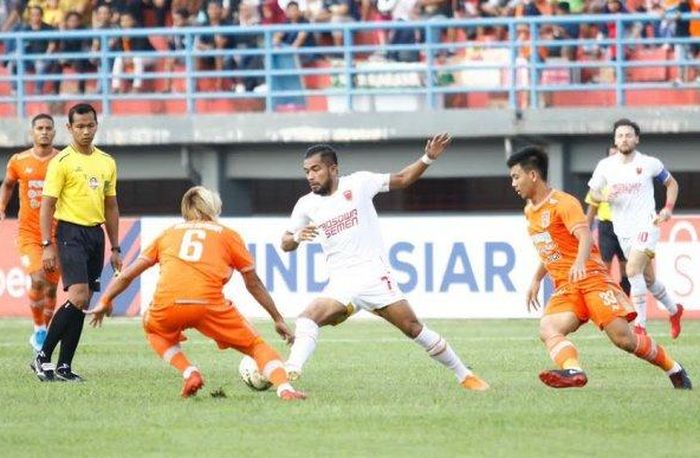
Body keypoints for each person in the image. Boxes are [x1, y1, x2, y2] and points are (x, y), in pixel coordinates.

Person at [281, 135, 489, 391]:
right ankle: (291, 371)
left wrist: (428, 158)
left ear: (333, 168)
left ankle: (465, 375)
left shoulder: (358, 183)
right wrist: (297, 237)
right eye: (306, 172)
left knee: (413, 328)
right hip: (342, 283)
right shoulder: (306, 204)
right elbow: (285, 243)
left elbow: (403, 179)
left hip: (374, 276)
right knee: (306, 318)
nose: (310, 176)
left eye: (316, 169)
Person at [86, 187, 307, 401]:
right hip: (208, 304)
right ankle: (285, 389)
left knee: (154, 330)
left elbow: (127, 275)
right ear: (213, 209)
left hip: (167, 305)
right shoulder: (228, 235)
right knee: (256, 346)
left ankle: (189, 372)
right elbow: (253, 282)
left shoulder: (168, 234)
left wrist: (105, 300)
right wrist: (277, 318)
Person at [507, 146, 691, 390]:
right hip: (567, 287)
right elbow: (551, 248)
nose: (513, 183)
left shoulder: (563, 203)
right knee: (548, 327)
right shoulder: (529, 211)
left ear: (532, 175)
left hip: (592, 279)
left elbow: (584, 235)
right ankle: (573, 370)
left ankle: (674, 369)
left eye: (515, 176)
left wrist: (580, 264)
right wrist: (536, 279)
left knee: (623, 339)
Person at [31, 103, 122, 382]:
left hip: (95, 235)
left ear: (96, 125)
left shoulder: (107, 161)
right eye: (79, 126)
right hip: (70, 233)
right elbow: (47, 206)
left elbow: (111, 206)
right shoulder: (62, 162)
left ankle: (64, 366)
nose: (85, 131)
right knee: (78, 296)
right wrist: (47, 244)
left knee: (82, 304)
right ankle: (42, 356)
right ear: (70, 129)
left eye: (90, 125)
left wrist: (115, 247)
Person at [588, 118, 684, 337]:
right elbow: (593, 193)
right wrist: (603, 195)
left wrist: (667, 209)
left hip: (647, 225)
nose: (624, 139)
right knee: (648, 279)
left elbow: (672, 183)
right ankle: (674, 310)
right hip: (622, 230)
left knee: (631, 271)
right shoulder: (605, 166)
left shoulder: (649, 163)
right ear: (615, 140)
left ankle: (640, 326)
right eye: (620, 135)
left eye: (628, 135)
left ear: (636, 139)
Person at [0, 114, 60, 352]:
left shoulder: (62, 160)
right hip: (29, 234)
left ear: (54, 132)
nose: (44, 132)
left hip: (57, 234)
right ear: (32, 133)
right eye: (39, 128)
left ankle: (44, 333)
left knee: (52, 289)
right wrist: (2, 208)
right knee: (37, 279)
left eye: (48, 128)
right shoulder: (19, 160)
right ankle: (38, 329)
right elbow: (7, 184)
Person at [584, 146, 630, 296]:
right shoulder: (601, 181)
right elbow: (591, 209)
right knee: (605, 266)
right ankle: (607, 303)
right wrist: (585, 233)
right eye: (611, 156)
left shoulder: (629, 182)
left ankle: (625, 303)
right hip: (606, 227)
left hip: (625, 226)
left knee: (626, 268)